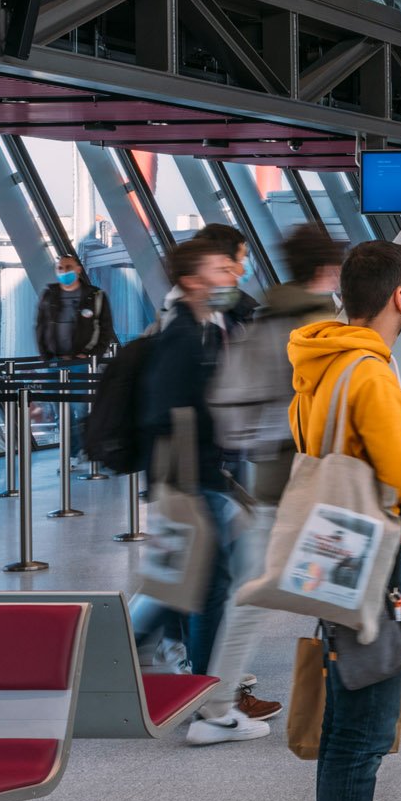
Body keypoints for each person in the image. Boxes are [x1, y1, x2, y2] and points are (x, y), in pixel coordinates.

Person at [290, 239, 401, 801]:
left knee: (354, 713)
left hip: (333, 545)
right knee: (362, 729)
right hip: (376, 552)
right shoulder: (372, 373)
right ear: (399, 296)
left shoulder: (320, 363)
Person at [196, 223, 345, 741]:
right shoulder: (321, 325)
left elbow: (226, 401)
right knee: (349, 593)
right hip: (319, 478)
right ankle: (361, 709)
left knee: (255, 595)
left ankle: (216, 708)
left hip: (270, 477)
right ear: (329, 270)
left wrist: (263, 440)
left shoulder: (262, 318)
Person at [132, 236, 246, 705]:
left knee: (191, 582)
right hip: (192, 478)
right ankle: (206, 693)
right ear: (192, 281)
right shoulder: (180, 335)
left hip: (198, 475)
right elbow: (163, 411)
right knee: (200, 583)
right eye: (220, 270)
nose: (231, 278)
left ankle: (201, 685)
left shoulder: (199, 328)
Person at [35, 250, 115, 361]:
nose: (64, 271)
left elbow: (106, 329)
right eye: (60, 268)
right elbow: (40, 326)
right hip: (54, 361)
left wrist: (92, 355)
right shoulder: (48, 295)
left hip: (83, 362)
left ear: (78, 270)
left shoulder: (96, 296)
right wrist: (45, 355)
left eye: (68, 267)